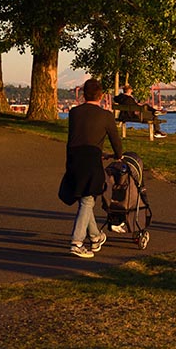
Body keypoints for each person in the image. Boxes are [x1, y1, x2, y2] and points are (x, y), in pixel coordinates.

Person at [59, 78, 122, 258]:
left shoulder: (74, 113)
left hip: (73, 158)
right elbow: (115, 141)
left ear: (83, 94)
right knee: (87, 200)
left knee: (85, 200)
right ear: (101, 95)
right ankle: (77, 242)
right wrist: (118, 155)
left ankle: (95, 236)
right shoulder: (106, 116)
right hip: (91, 160)